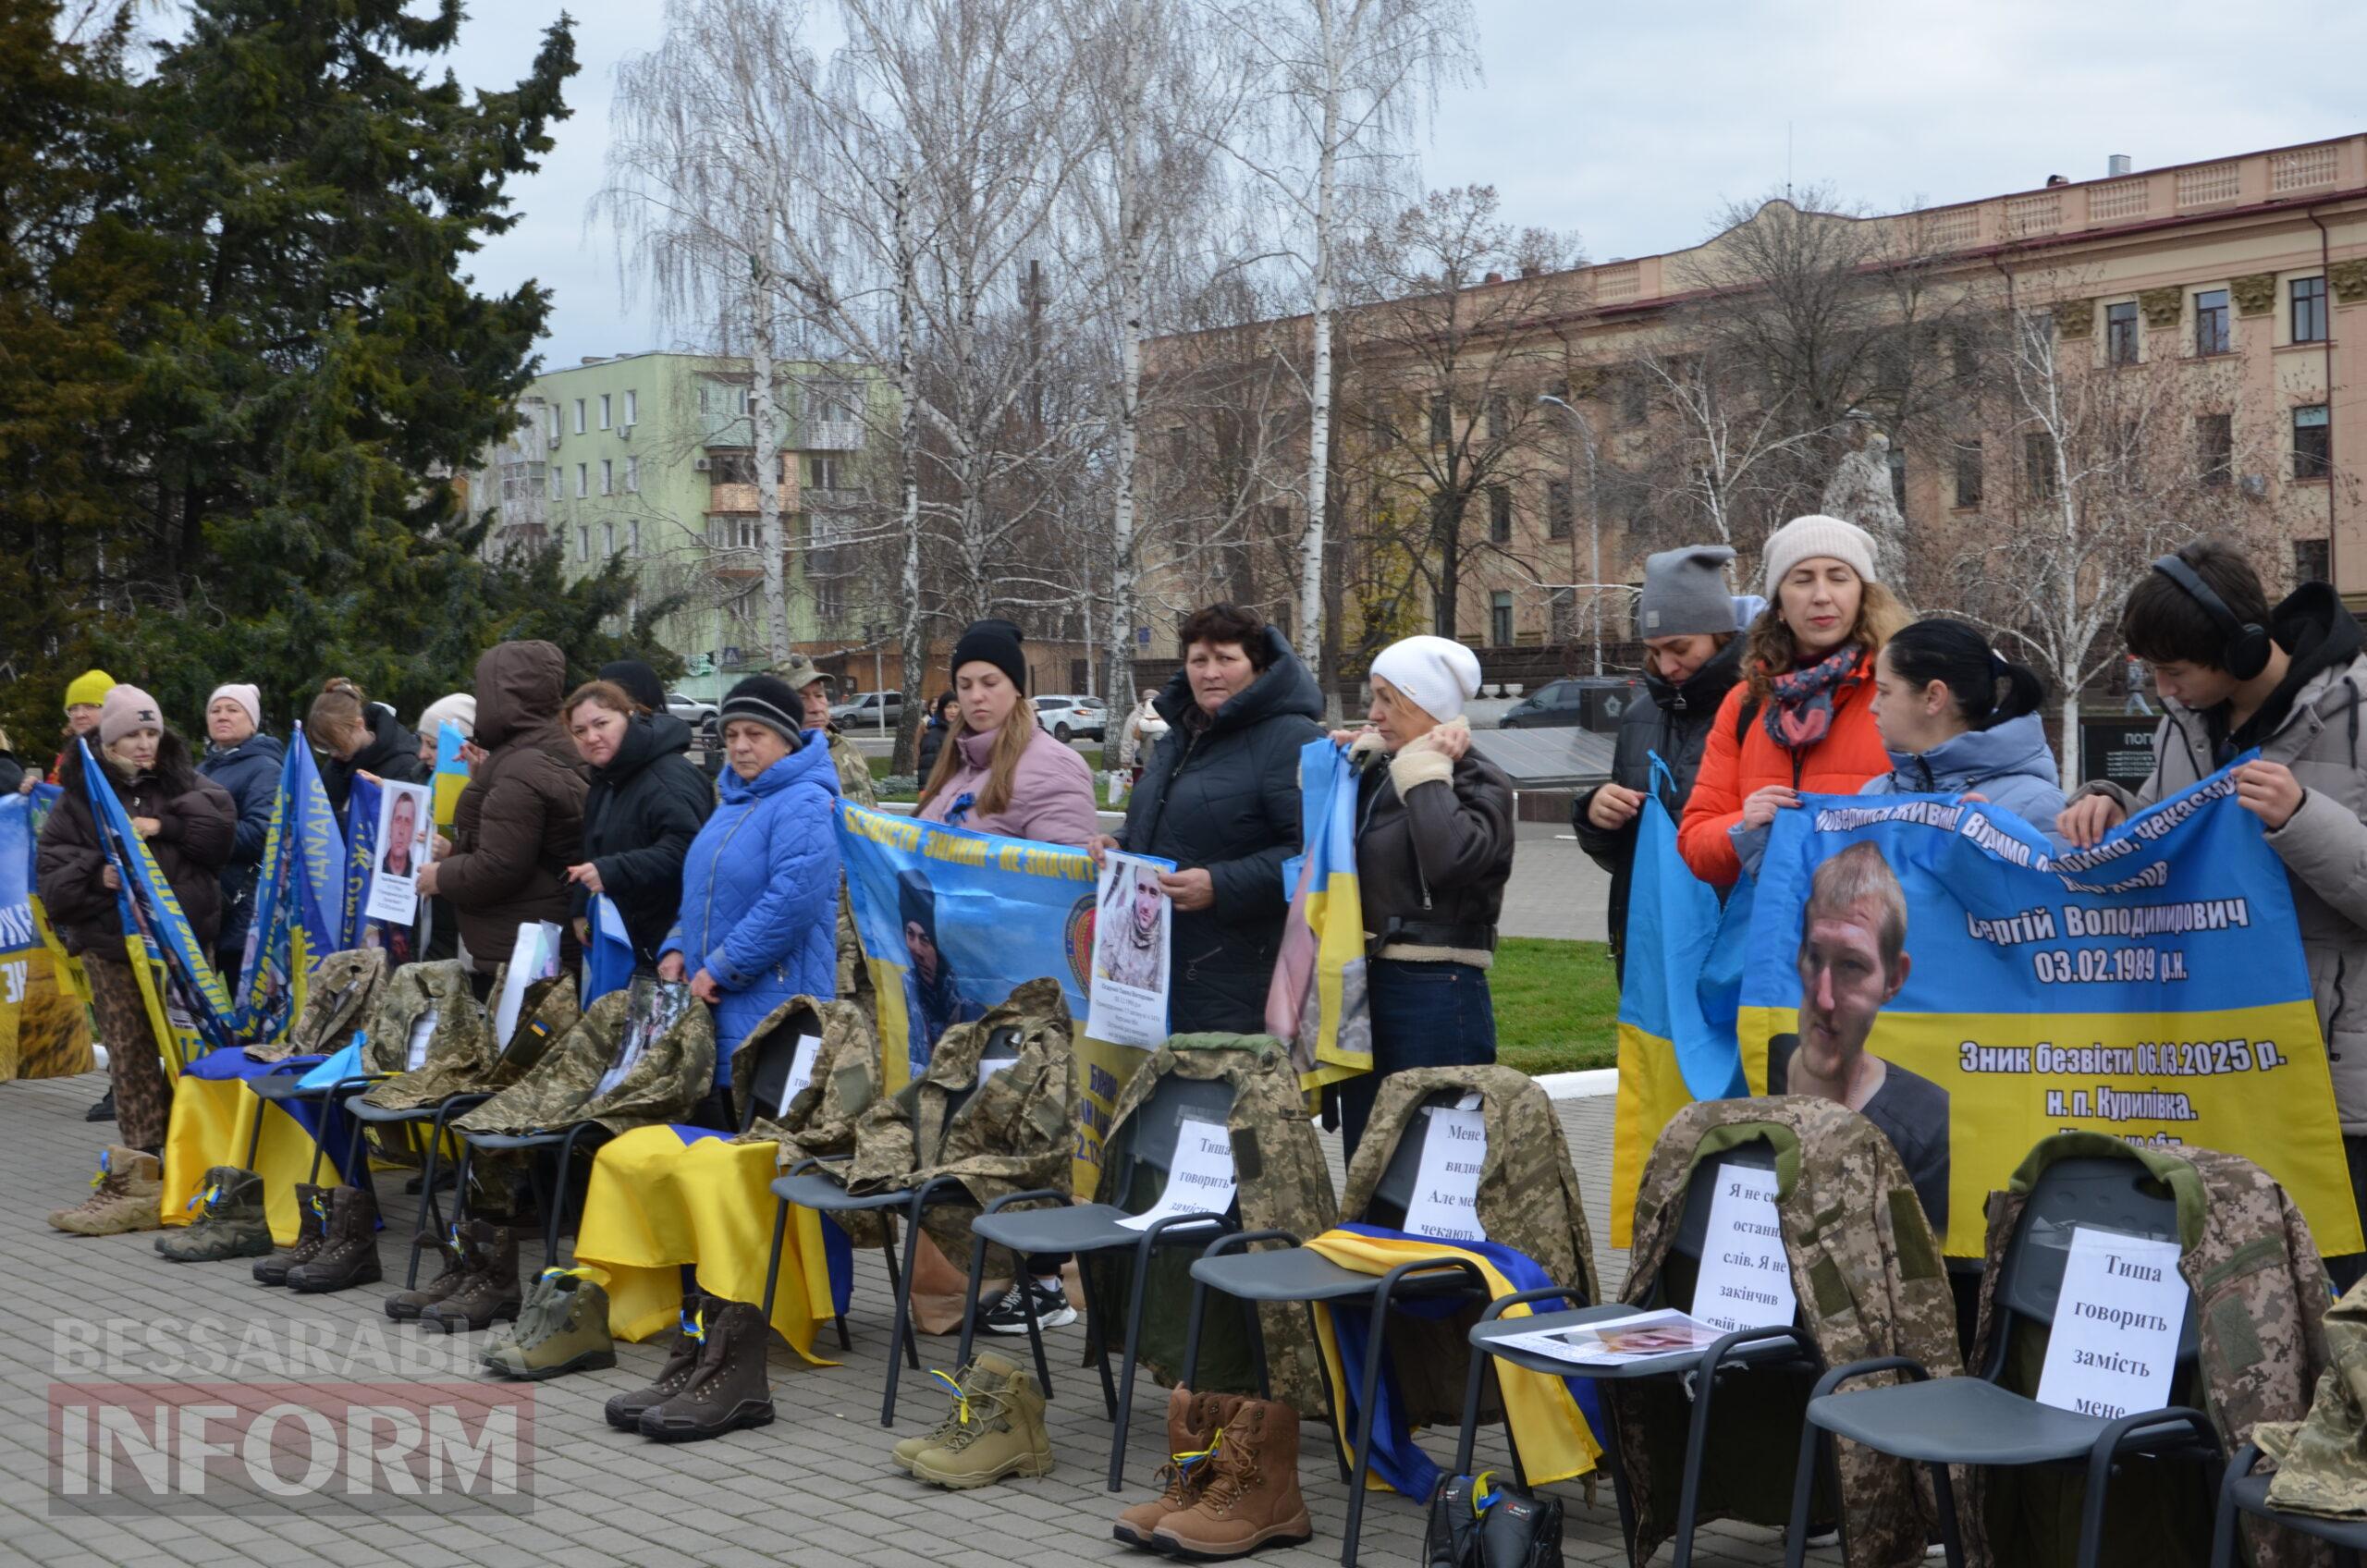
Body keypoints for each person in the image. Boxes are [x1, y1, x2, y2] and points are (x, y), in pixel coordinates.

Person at [2058, 540, 2367, 1285]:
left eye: (2175, 671)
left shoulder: (2359, 709)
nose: (2163, 689)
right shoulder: (2184, 720)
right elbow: (2172, 845)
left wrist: (2301, 818)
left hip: (2335, 1079)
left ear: (2244, 646)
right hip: (2214, 1067)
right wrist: (2108, 809)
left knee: (2339, 1303)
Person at [1096, 605, 1325, 1034]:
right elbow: (1163, 822)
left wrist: (1220, 884)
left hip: (1240, 977)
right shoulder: (1183, 733)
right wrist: (1121, 845)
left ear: (1258, 668)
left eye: (1226, 659)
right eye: (1199, 660)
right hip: (1152, 969)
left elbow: (1312, 855)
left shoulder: (1293, 738)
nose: (1210, 672)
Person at [1332, 634, 1516, 1163]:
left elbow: (1452, 860)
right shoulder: (1378, 775)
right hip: (1373, 985)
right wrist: (1336, 775)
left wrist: (1425, 774)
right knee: (1372, 1159)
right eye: (1375, 696)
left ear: (1427, 704)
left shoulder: (1479, 779)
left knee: (1435, 1166)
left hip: (1438, 990)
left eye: (1389, 698)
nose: (1374, 713)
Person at [36, 686, 236, 1167]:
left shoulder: (186, 782)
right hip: (112, 948)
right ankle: (144, 1157)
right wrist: (97, 874)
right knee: (131, 1057)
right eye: (132, 735)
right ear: (108, 743)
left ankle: (204, 1152)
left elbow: (220, 835)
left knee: (193, 1047)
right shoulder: (79, 801)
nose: (145, 743)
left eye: (152, 732)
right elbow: (52, 881)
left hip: (182, 945)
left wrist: (162, 827)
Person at [1679, 514, 1908, 887]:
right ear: (1780, 607)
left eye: (1838, 577)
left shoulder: (1901, 693)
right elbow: (1696, 846)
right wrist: (1742, 826)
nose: (1821, 595)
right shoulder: (1745, 704)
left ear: (1863, 596)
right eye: (1802, 580)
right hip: (1775, 933)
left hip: (1876, 930)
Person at [659, 675, 840, 1111]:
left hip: (773, 1007)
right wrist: (678, 946)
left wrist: (722, 968)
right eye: (731, 734)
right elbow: (707, 892)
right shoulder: (735, 801)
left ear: (785, 740)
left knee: (760, 1142)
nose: (739, 746)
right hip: (720, 998)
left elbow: (791, 901)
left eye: (754, 734)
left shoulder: (804, 800)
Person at [1574, 545, 1750, 981]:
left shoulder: (1761, 712)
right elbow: (1625, 859)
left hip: (1735, 947)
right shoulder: (1639, 716)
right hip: (1653, 949)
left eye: (1679, 647)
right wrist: (1597, 814)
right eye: (1654, 651)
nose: (1666, 666)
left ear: (1721, 635)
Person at [1764, 842, 1951, 1233]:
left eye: (1851, 965)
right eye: (1814, 956)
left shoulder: (1926, 1125)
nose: (1825, 997)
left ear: (1894, 978)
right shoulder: (1753, 1065)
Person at [416, 642, 588, 997]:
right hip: (533, 938)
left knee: (516, 1048)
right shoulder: (540, 750)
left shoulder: (521, 767)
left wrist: (441, 877)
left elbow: (501, 865)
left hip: (524, 952)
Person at [561, 679, 714, 974]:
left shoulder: (666, 777)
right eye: (579, 731)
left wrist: (611, 871)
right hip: (631, 945)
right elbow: (596, 845)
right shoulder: (609, 776)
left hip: (670, 950)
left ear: (629, 715)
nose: (591, 737)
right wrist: (581, 907)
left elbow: (690, 851)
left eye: (601, 724)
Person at [1863, 619, 2063, 828]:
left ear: (1933, 697)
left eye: (1884, 691)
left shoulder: (2038, 807)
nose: (1873, 706)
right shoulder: (1874, 794)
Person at [915, 619, 1097, 844]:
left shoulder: (1056, 769)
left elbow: (1064, 873)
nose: (975, 696)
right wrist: (886, 835)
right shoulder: (958, 759)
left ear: (1017, 688)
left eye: (990, 683)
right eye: (964, 685)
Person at [193, 682, 285, 980]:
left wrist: (197, 834)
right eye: (215, 710)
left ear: (252, 720)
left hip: (244, 911)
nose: (222, 716)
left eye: (233, 710)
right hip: (207, 905)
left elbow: (262, 832)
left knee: (245, 1010)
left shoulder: (265, 768)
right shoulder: (201, 769)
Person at [309, 678, 428, 824]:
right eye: (325, 748)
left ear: (359, 724)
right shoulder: (334, 768)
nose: (333, 754)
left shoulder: (405, 763)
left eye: (338, 746)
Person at [775, 654, 877, 809]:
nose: (816, 708)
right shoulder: (771, 763)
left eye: (819, 695)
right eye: (801, 699)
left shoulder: (848, 748)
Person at [897, 868, 978, 1063]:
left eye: (925, 939)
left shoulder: (969, 1010)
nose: (916, 948)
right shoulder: (902, 992)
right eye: (910, 934)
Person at [20, 668, 115, 794]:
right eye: (73, 708)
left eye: (90, 706)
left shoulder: (127, 753)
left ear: (111, 710)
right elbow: (56, 799)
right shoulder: (68, 756)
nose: (79, 714)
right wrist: (37, 788)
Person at [1097, 860, 1166, 992]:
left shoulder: (1165, 941)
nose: (1145, 906)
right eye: (1141, 889)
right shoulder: (1117, 919)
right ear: (1135, 890)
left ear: (1161, 899)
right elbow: (1101, 966)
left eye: (1153, 893)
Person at [1115, 687, 1170, 784]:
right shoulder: (1134, 716)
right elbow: (1127, 739)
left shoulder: (1163, 715)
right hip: (1138, 761)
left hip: (1157, 760)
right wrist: (1125, 760)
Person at [915, 691, 957, 783]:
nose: (953, 711)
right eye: (949, 707)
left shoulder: (966, 732)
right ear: (942, 710)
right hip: (943, 789)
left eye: (956, 707)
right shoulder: (932, 734)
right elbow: (927, 769)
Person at [379, 789, 422, 876]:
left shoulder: (419, 875)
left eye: (407, 822)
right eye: (398, 820)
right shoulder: (373, 871)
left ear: (413, 832)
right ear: (391, 827)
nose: (401, 831)